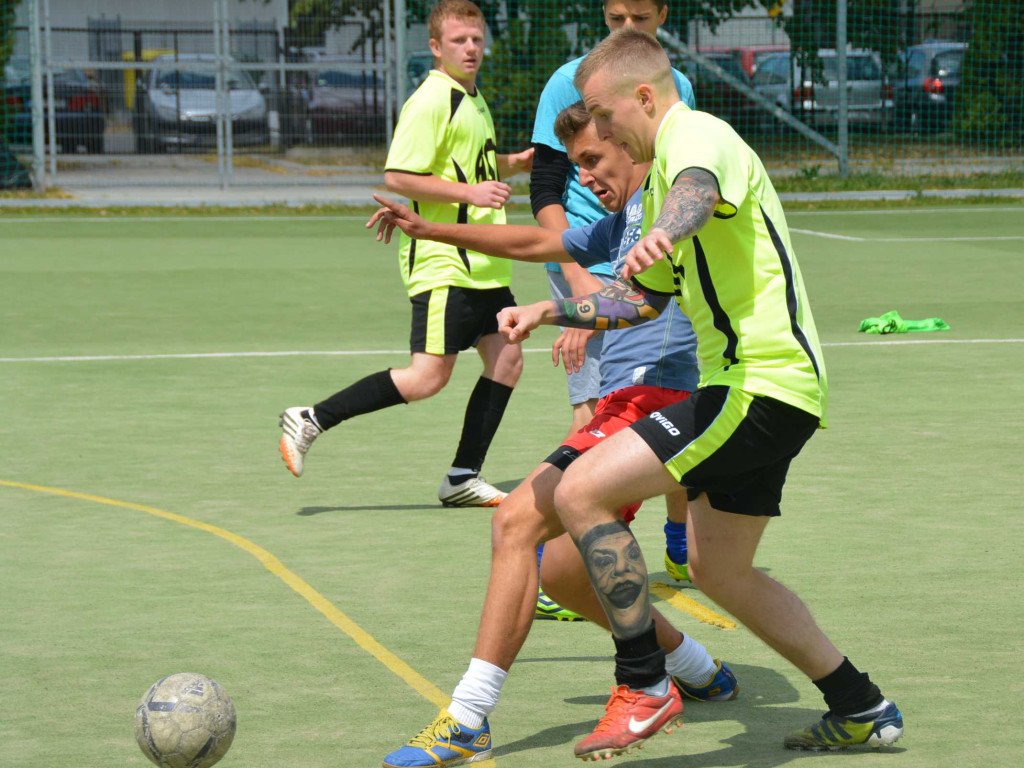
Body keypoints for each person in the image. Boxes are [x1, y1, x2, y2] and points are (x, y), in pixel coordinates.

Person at [497, 27, 905, 759]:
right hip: (764, 390)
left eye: (601, 113)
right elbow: (638, 301)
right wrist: (548, 311)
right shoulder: (656, 177)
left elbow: (697, 194)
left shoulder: (697, 137)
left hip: (759, 385)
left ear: (643, 98)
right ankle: (861, 704)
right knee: (722, 571)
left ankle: (647, 686)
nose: (598, 130)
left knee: (580, 492)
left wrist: (663, 231)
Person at [368, 101, 737, 768]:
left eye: (594, 159)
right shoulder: (621, 221)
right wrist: (431, 227)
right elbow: (533, 243)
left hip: (664, 399)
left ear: (632, 138)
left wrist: (560, 310)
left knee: (514, 522)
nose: (585, 177)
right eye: (576, 166)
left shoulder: (669, 209)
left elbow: (640, 294)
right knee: (566, 573)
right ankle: (695, 665)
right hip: (623, 403)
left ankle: (468, 717)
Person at [278, 0, 533, 508]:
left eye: (477, 39)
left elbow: (465, 168)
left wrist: (510, 164)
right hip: (444, 261)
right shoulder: (433, 99)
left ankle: (462, 476)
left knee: (507, 360)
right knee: (426, 379)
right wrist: (471, 195)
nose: (471, 49)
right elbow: (399, 175)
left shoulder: (472, 98)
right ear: (436, 47)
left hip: (481, 261)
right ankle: (312, 418)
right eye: (459, 41)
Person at [531, 0, 697, 592]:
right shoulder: (567, 83)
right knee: (594, 403)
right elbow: (546, 186)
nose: (627, 28)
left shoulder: (676, 92)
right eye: (616, 17)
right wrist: (579, 284)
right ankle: (579, 549)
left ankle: (677, 545)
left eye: (640, 20)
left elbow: (680, 183)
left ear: (661, 17)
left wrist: (653, 248)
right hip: (583, 255)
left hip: (646, 255)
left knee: (674, 396)